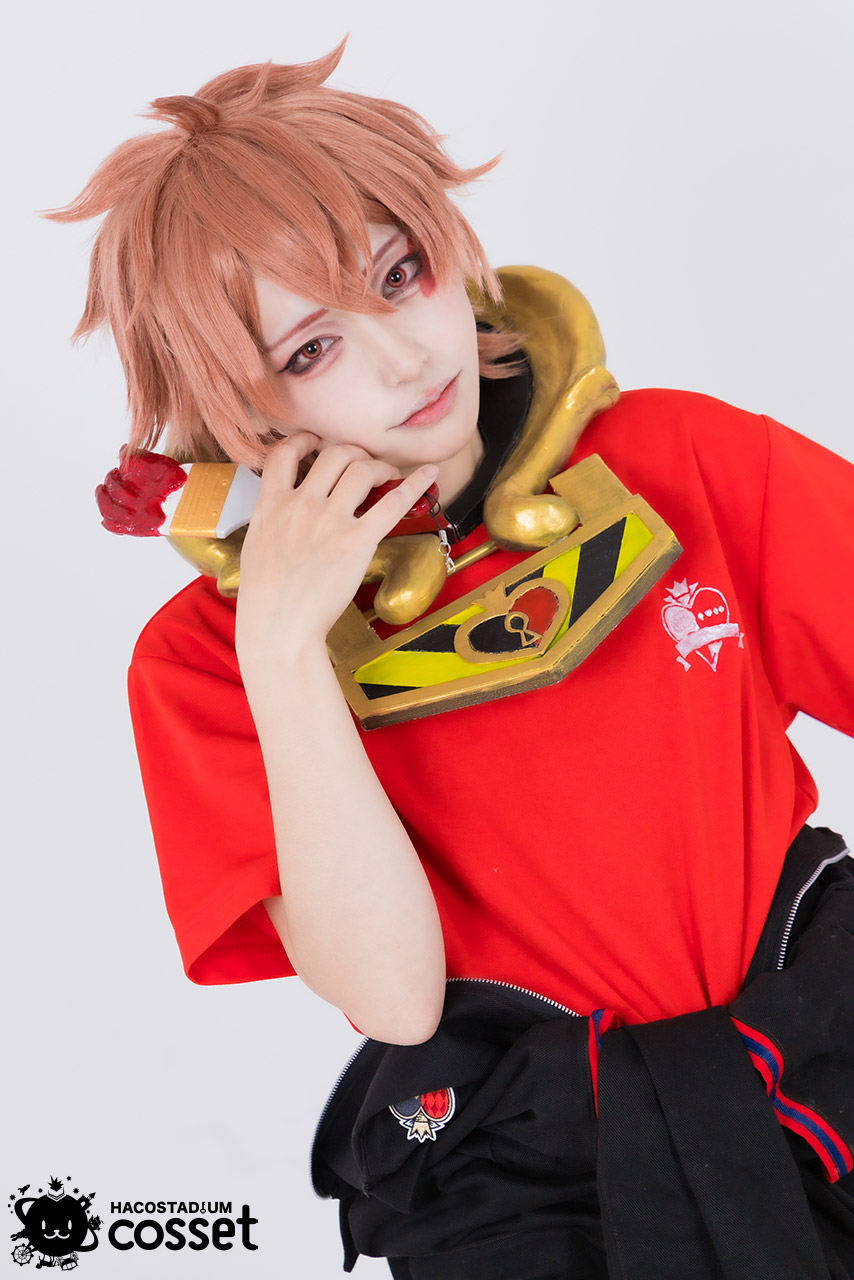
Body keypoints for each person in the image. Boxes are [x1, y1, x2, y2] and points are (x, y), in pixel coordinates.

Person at [51, 40, 854, 1279]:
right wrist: (284, 648)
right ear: (238, 411)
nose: (405, 355)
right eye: (311, 349)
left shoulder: (680, 461)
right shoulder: (205, 663)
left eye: (399, 273)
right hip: (524, 1179)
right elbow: (393, 996)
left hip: (817, 1055)